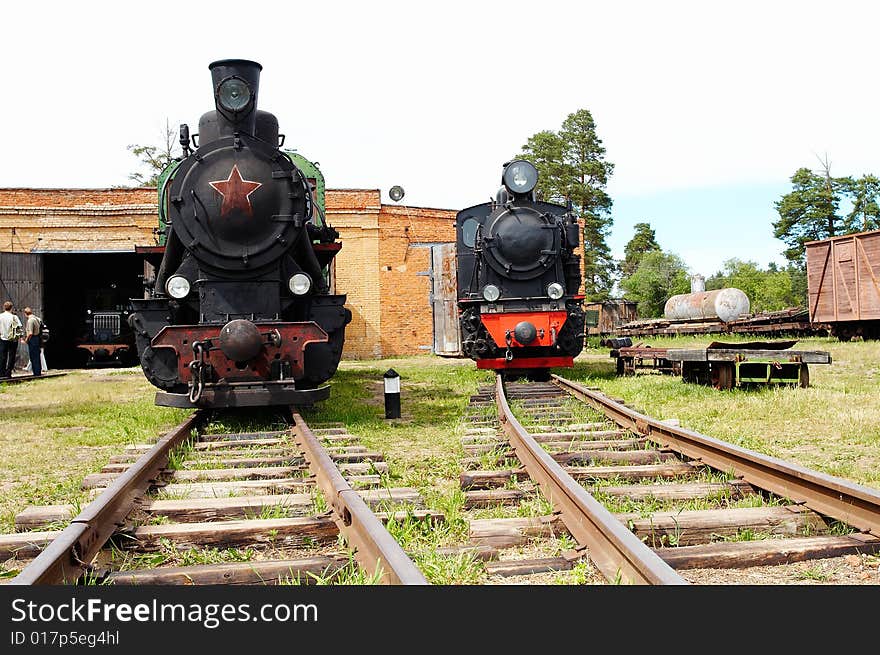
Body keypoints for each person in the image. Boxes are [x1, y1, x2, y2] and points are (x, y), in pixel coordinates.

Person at [0, 301, 22, 379]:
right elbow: (19, 327)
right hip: (13, 339)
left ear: (4, 307)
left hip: (3, 339)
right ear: (11, 308)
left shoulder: (0, 316)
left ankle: (1, 373)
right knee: (12, 356)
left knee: (2, 356)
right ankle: (8, 372)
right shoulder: (14, 317)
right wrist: (20, 337)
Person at [22, 307, 43, 376]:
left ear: (25, 313)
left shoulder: (30, 320)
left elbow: (30, 333)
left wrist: (26, 340)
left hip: (33, 339)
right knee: (37, 355)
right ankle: (38, 371)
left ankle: (36, 373)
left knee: (33, 356)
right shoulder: (37, 319)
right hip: (37, 338)